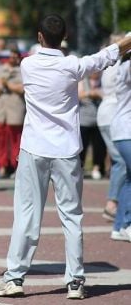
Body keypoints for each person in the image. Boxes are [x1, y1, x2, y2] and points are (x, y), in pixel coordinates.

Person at [0, 15, 131, 299]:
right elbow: (106, 56)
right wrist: (128, 40)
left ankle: (15, 277)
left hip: (34, 148)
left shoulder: (28, 65)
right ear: (65, 36)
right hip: (66, 149)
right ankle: (75, 281)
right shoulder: (72, 65)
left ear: (39, 37)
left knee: (27, 214)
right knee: (72, 216)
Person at [97, 33, 125, 222]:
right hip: (112, 115)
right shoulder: (118, 64)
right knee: (122, 161)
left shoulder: (112, 64)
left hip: (109, 114)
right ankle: (112, 204)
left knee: (119, 161)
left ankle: (117, 203)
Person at [0, 48, 25, 178]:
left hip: (15, 109)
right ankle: (2, 166)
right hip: (0, 109)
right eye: (11, 55)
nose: (13, 58)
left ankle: (16, 167)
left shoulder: (23, 71)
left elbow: (22, 89)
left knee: (16, 140)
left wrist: (7, 84)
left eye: (16, 56)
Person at [110, 46, 131, 242]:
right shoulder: (127, 67)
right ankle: (127, 223)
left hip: (124, 130)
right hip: (125, 131)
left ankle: (119, 227)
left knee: (129, 179)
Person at [78, 71, 105, 179]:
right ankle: (80, 168)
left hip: (99, 121)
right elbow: (79, 95)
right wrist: (92, 93)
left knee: (99, 147)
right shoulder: (83, 81)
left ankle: (97, 168)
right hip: (83, 121)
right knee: (82, 147)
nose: (96, 72)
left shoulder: (103, 81)